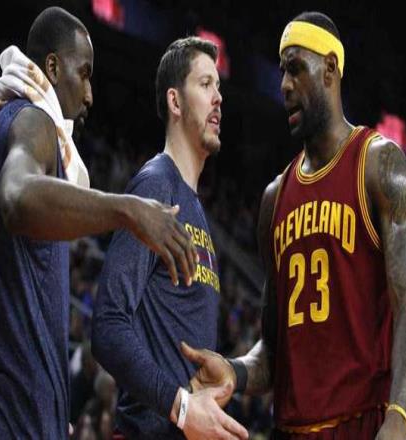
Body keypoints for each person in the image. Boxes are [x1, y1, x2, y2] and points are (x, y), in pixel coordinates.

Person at [0, 7, 196, 439]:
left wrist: (46, 405)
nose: (89, 95)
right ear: (52, 67)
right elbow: (17, 198)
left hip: (5, 408)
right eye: (83, 75)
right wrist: (129, 210)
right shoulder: (34, 120)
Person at [182, 11, 406, 440]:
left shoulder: (379, 164)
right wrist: (235, 372)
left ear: (330, 68)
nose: (284, 85)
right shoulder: (275, 198)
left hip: (362, 423)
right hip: (289, 427)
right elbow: (271, 352)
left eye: (295, 68)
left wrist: (398, 417)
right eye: (282, 72)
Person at [92, 37, 248, 440]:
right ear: (175, 102)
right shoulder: (156, 185)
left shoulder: (195, 208)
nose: (218, 98)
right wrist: (182, 408)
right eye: (205, 84)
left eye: (218, 87)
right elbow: (107, 325)